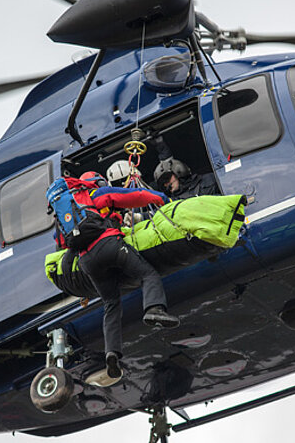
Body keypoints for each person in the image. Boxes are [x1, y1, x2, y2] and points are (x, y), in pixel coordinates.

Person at [74, 171, 180, 380]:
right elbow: (135, 196)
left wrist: (78, 287)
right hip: (109, 246)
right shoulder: (98, 195)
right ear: (97, 183)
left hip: (87, 262)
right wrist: (162, 198)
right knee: (148, 274)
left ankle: (112, 353)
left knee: (111, 303)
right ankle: (154, 309)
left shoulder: (72, 212)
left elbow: (64, 246)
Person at [152, 135, 219, 199]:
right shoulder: (174, 204)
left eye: (167, 179)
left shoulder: (209, 180)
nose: (166, 185)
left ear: (178, 172)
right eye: (163, 184)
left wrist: (160, 144)